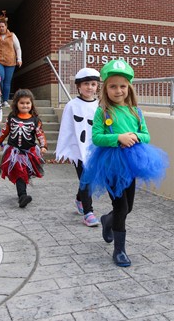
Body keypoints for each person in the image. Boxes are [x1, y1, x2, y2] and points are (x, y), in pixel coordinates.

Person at [80, 60, 169, 266]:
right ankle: (119, 250)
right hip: (110, 165)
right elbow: (97, 138)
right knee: (121, 207)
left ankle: (107, 220)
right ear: (105, 88)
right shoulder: (103, 112)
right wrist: (118, 138)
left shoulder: (135, 111)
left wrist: (135, 136)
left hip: (131, 164)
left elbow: (146, 135)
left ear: (128, 87)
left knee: (128, 207)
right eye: (113, 86)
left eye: (122, 86)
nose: (118, 90)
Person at [56, 68, 101, 227]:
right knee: (86, 179)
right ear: (79, 86)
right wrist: (66, 149)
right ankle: (88, 212)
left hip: (95, 149)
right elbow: (67, 129)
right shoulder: (72, 106)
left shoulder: (100, 106)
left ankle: (79, 198)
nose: (90, 87)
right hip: (78, 150)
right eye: (86, 84)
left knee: (90, 178)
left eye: (93, 84)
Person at [0, 89, 47, 208]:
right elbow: (5, 131)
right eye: (22, 103)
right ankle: (22, 196)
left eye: (27, 103)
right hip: (14, 152)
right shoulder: (12, 117)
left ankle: (21, 193)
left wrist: (43, 145)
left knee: (25, 172)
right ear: (16, 104)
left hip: (29, 152)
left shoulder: (35, 120)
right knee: (20, 172)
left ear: (31, 104)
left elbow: (40, 133)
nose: (25, 105)